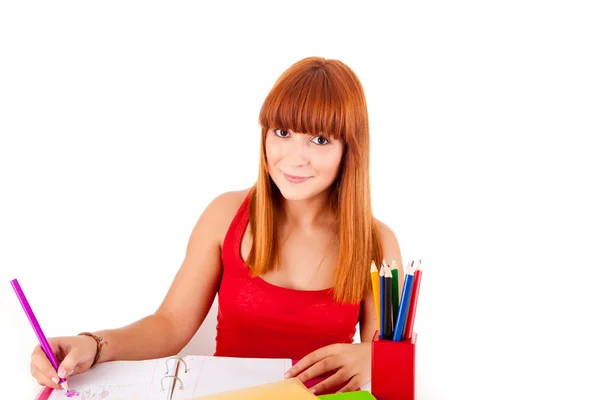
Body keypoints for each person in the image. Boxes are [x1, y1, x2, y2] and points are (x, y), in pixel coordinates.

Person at [29, 56, 403, 395]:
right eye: (283, 133)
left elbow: (393, 362)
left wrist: (374, 356)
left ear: (349, 150)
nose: (295, 158)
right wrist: (93, 345)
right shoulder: (225, 215)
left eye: (320, 140)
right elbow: (171, 325)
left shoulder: (377, 243)